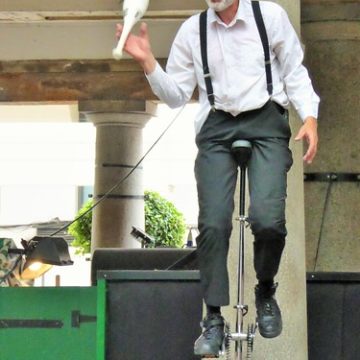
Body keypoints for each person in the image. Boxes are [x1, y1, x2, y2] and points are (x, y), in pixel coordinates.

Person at [116, 0, 319, 356]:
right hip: (217, 128)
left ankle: (265, 290)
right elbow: (177, 95)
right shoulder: (193, 30)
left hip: (266, 122)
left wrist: (309, 116)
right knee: (212, 224)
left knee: (268, 221)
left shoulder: (269, 16)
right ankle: (212, 317)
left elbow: (294, 71)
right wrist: (149, 63)